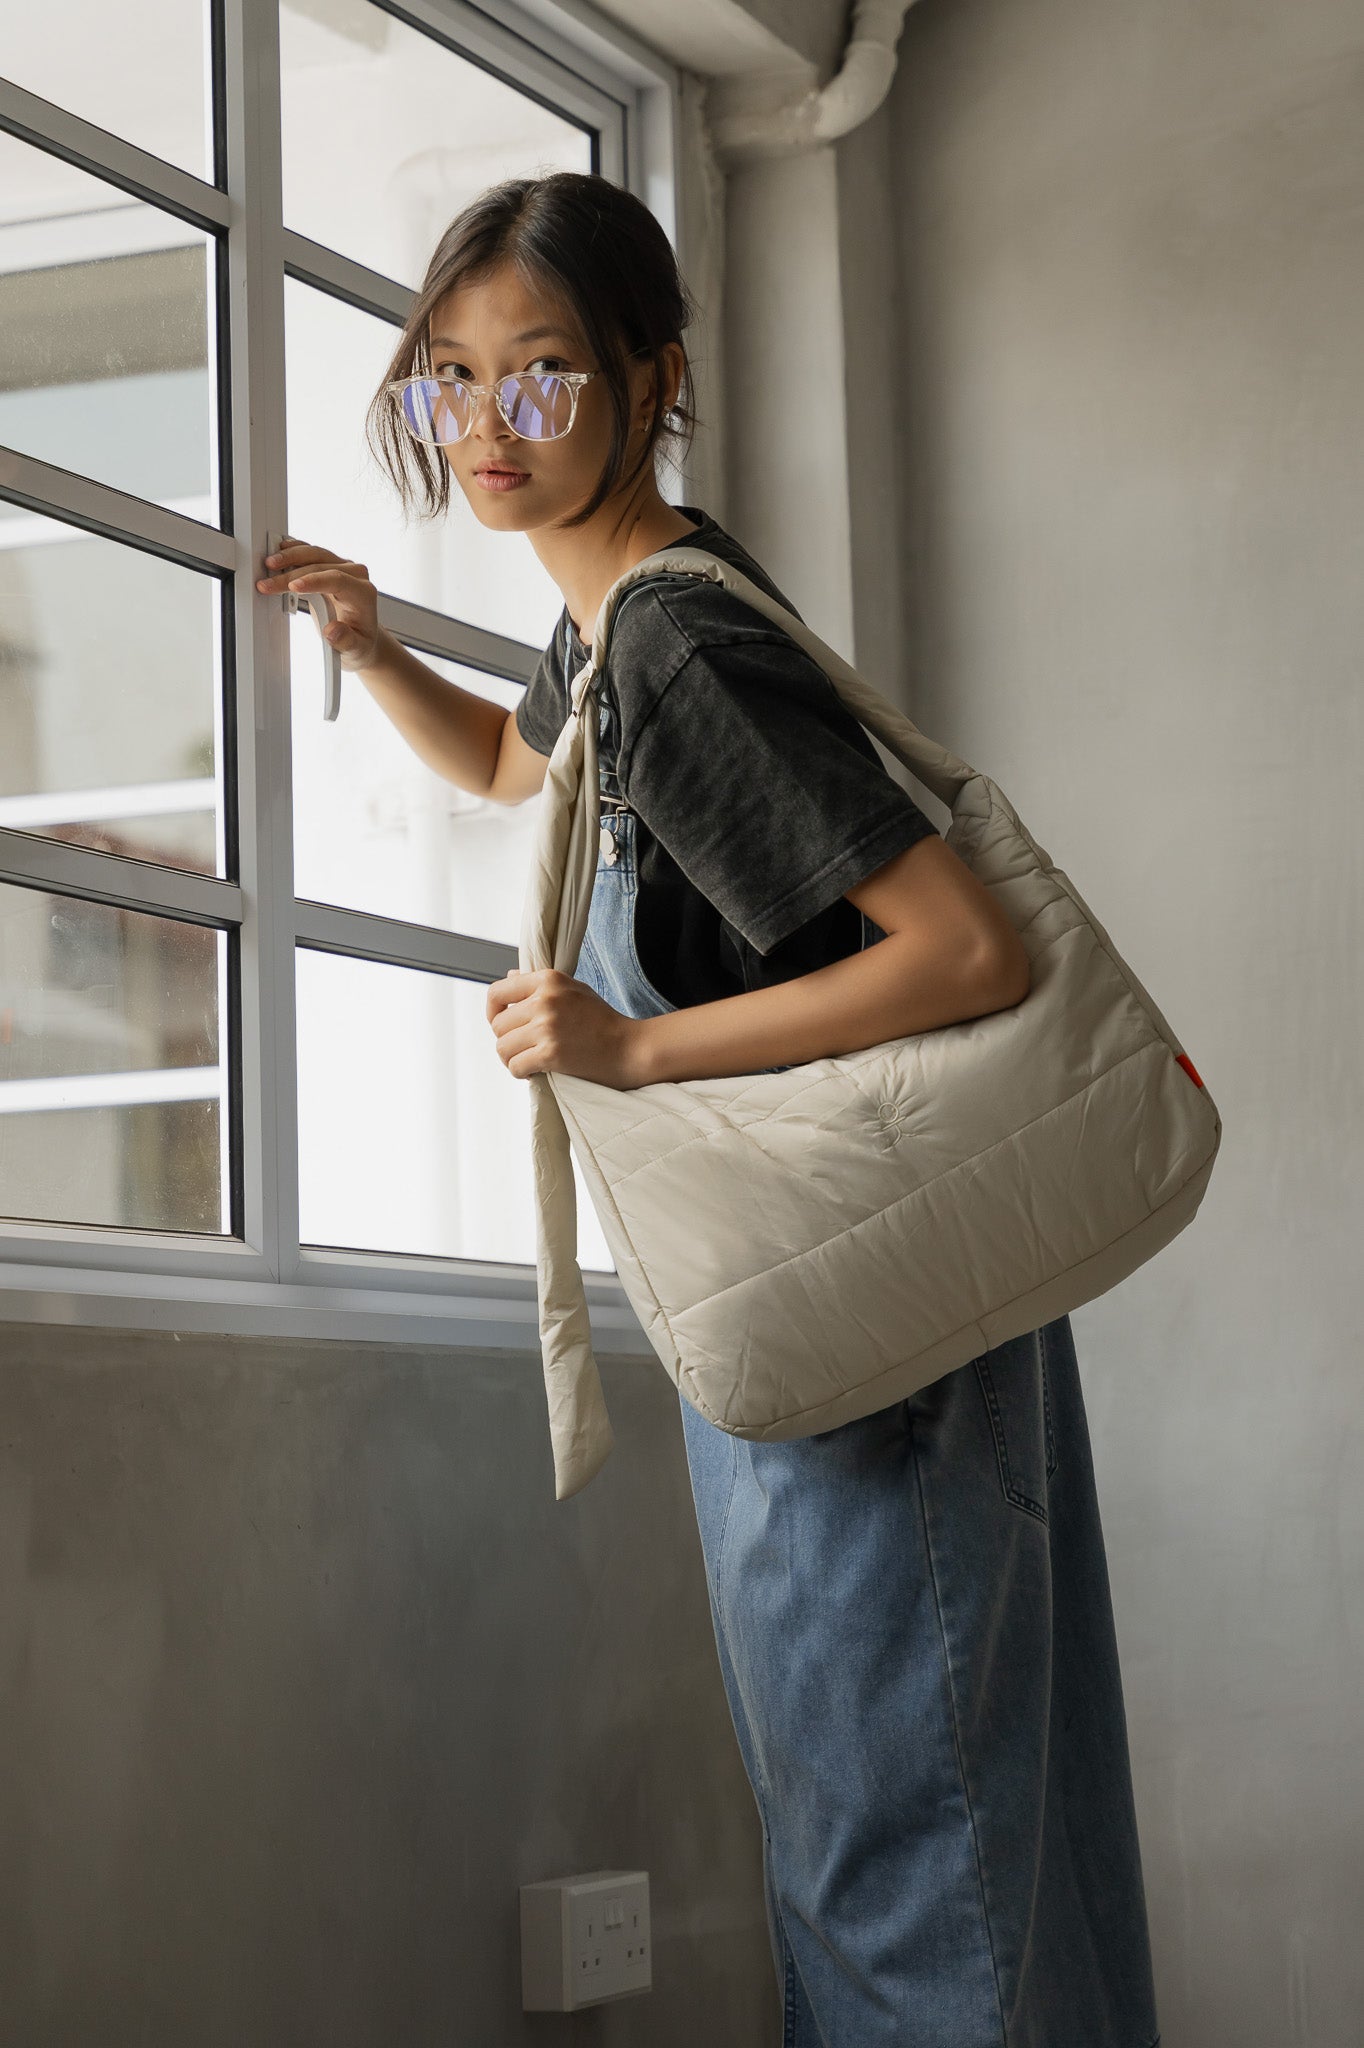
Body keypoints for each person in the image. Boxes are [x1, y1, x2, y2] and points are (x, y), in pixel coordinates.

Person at [256, 169, 1161, 2048]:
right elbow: (524, 770)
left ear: (652, 377)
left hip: (863, 1353)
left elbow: (963, 951)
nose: (489, 427)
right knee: (953, 1854)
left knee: (913, 1880)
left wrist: (630, 1049)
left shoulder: (676, 645)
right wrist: (366, 644)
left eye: (547, 374)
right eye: (452, 377)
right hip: (858, 1309)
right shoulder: (615, 631)